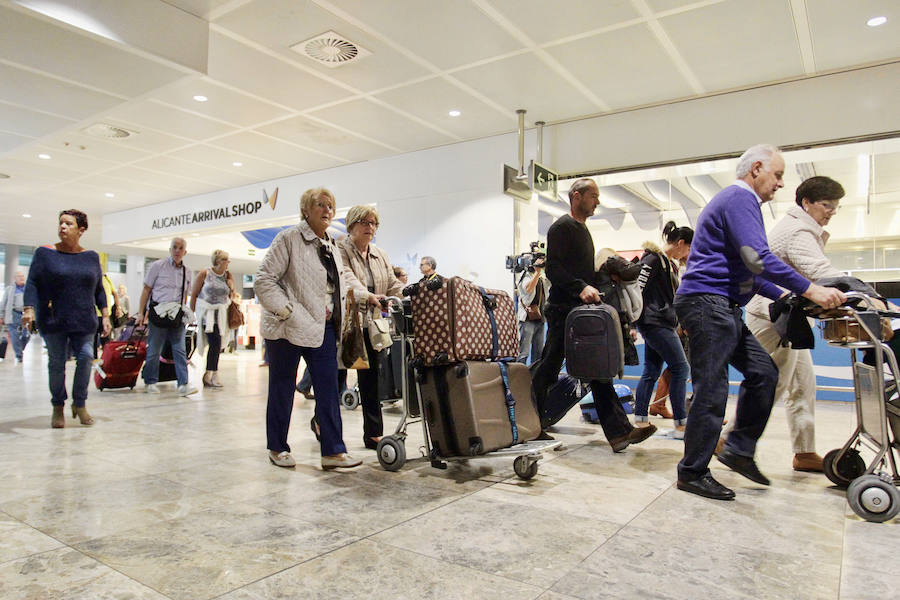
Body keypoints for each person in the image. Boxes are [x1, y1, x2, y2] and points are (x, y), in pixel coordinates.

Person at [673, 144, 846, 501]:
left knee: (764, 373)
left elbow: (747, 266)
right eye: (778, 174)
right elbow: (758, 256)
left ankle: (738, 448)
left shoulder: (741, 203)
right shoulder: (740, 198)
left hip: (724, 304)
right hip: (707, 302)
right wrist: (810, 289)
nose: (781, 184)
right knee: (713, 388)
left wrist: (784, 295)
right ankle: (692, 471)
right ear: (756, 169)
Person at [531, 178, 657, 450]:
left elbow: (580, 271)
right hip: (563, 312)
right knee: (549, 368)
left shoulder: (583, 230)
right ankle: (531, 425)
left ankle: (620, 432)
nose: (598, 201)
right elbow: (553, 269)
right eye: (594, 196)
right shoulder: (561, 228)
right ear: (577, 196)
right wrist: (581, 288)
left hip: (579, 312)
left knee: (596, 368)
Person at [255, 187, 371, 470]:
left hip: (323, 327)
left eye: (331, 206)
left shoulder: (330, 244)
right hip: (286, 328)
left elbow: (344, 279)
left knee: (329, 389)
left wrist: (368, 296)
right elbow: (264, 280)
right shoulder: (289, 239)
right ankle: (278, 447)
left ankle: (333, 451)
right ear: (306, 210)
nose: (327, 210)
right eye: (320, 205)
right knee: (282, 388)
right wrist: (286, 311)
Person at [744, 176, 849, 472]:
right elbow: (821, 271)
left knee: (803, 384)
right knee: (771, 383)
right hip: (773, 315)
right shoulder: (798, 229)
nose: (830, 212)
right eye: (826, 205)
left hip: (788, 316)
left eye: (835, 207)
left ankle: (804, 452)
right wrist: (862, 294)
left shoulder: (804, 229)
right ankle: (733, 440)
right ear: (806, 203)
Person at [22, 209, 110, 427]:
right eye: (61, 223)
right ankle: (58, 406)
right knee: (56, 363)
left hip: (84, 319)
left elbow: (99, 289)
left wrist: (106, 314)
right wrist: (29, 309)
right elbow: (32, 282)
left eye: (68, 224)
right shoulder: (45, 254)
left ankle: (79, 403)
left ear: (81, 230)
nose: (62, 227)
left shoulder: (91, 257)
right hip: (54, 319)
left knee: (86, 358)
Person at [338, 205, 405, 449]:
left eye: (374, 223)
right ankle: (320, 421)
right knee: (337, 377)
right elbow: (347, 279)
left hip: (373, 325)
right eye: (365, 222)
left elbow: (391, 283)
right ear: (352, 224)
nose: (370, 228)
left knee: (371, 380)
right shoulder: (340, 249)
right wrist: (367, 295)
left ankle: (373, 433)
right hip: (346, 324)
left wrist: (409, 295)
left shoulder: (379, 254)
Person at [633, 221, 694, 439]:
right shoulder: (653, 259)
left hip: (660, 322)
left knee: (651, 371)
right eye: (688, 248)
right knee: (680, 368)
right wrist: (632, 324)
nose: (688, 254)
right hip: (655, 322)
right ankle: (681, 424)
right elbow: (637, 289)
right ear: (680, 243)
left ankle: (640, 420)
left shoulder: (667, 263)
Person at [138, 238, 196, 396]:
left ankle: (183, 383)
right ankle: (150, 381)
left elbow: (184, 295)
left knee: (180, 350)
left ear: (185, 251)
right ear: (170, 249)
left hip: (176, 314)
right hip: (158, 313)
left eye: (181, 248)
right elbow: (146, 290)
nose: (177, 251)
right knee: (154, 349)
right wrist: (141, 313)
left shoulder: (187, 272)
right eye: (174, 247)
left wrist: (183, 312)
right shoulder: (158, 266)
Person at [189, 249, 235, 388]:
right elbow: (194, 294)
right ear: (218, 261)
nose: (228, 263)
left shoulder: (228, 275)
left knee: (217, 345)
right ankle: (212, 373)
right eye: (226, 260)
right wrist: (192, 314)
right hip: (206, 315)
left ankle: (209, 373)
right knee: (215, 343)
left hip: (221, 315)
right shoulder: (205, 273)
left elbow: (231, 294)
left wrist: (232, 288)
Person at [516, 258, 548, 364]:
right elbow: (528, 288)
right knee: (523, 353)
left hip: (540, 318)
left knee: (539, 353)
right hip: (527, 319)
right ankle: (518, 377)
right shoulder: (525, 276)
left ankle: (535, 378)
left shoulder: (541, 278)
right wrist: (537, 272)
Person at [1, 271, 31, 364]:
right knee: (15, 335)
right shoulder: (9, 289)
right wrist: (1, 316)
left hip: (27, 314)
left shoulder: (29, 289)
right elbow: (3, 303)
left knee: (28, 333)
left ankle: (20, 348)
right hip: (14, 314)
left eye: (23, 276)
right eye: (19, 276)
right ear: (15, 278)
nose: (22, 278)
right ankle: (19, 354)